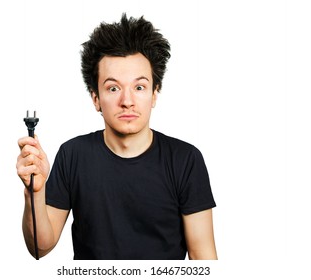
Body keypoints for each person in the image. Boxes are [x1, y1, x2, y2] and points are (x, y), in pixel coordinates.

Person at [17, 13, 217, 260]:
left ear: (155, 94)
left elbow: (203, 259)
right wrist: (34, 193)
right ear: (96, 99)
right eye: (113, 88)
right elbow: (40, 247)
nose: (127, 101)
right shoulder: (73, 154)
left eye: (139, 87)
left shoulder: (185, 159)